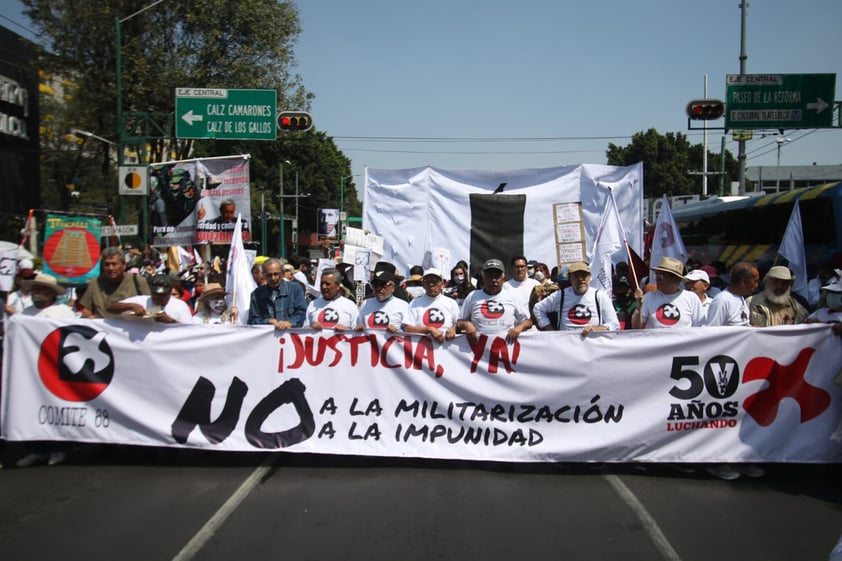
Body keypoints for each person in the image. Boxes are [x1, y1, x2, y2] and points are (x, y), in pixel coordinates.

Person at [702, 261, 765, 481]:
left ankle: (742, 458)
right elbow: (711, 335)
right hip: (723, 369)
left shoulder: (740, 300)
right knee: (723, 419)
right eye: (755, 280)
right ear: (744, 281)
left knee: (739, 417)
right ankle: (720, 462)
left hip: (741, 368)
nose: (757, 284)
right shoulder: (722, 301)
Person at [456, 258, 532, 346]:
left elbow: (528, 322)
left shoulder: (512, 296)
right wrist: (466, 325)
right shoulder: (473, 296)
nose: (493, 280)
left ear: (503, 279)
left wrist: (519, 328)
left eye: (497, 276)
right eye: (489, 276)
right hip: (478, 349)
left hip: (506, 349)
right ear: (483, 278)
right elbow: (459, 322)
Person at [532, 261, 619, 335]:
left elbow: (614, 324)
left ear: (590, 277)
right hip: (567, 346)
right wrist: (551, 332)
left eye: (584, 275)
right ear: (570, 279)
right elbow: (538, 309)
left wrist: (597, 329)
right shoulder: (560, 295)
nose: (581, 279)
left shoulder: (599, 296)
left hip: (593, 346)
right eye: (576, 276)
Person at [631, 257, 703, 329]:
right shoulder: (649, 297)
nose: (656, 279)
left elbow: (700, 327)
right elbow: (636, 328)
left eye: (661, 276)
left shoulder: (691, 298)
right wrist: (639, 308)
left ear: (675, 279)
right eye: (656, 275)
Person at [78, 247, 150, 319]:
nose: (110, 268)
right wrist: (89, 318)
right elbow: (87, 310)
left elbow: (151, 306)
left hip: (129, 327)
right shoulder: (95, 283)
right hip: (103, 327)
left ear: (124, 265)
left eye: (114, 264)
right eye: (107, 264)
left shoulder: (137, 281)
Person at [402, 268, 460, 343]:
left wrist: (454, 329)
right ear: (423, 285)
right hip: (421, 348)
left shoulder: (451, 303)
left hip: (447, 349)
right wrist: (428, 329)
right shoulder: (414, 303)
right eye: (428, 281)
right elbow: (407, 328)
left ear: (442, 284)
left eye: (435, 281)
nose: (431, 284)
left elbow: (459, 325)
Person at [247, 258, 307, 329]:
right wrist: (267, 321)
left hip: (289, 337)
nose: (273, 278)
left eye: (276, 274)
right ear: (264, 275)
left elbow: (302, 313)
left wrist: (290, 323)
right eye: (269, 275)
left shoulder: (295, 289)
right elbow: (252, 320)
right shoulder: (256, 294)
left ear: (282, 273)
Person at [119, 273, 194, 324]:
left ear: (170, 292)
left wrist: (170, 321)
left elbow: (189, 330)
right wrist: (131, 306)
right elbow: (111, 307)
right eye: (155, 293)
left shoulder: (180, 306)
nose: (158, 297)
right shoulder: (141, 300)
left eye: (162, 294)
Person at [705, 262, 759, 328]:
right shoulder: (722, 301)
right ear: (743, 282)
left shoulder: (740, 298)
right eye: (755, 281)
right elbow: (712, 331)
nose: (756, 285)